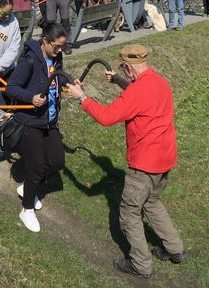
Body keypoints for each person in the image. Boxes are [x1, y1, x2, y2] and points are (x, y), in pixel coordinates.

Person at [65, 44, 186, 280]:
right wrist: (119, 81)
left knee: (130, 212)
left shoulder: (137, 92)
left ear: (129, 67)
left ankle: (141, 265)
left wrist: (82, 98)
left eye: (123, 68)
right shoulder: (159, 82)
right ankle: (175, 249)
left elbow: (107, 117)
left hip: (144, 163)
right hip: (165, 158)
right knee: (152, 202)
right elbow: (139, 93)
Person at [6, 23, 68, 233]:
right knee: (36, 167)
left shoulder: (57, 58)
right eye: (57, 47)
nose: (60, 51)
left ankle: (27, 189)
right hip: (30, 121)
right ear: (45, 42)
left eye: (62, 47)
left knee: (57, 161)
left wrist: (69, 85)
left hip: (49, 122)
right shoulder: (29, 60)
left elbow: (56, 81)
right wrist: (30, 98)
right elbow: (11, 88)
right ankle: (27, 209)